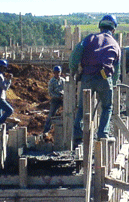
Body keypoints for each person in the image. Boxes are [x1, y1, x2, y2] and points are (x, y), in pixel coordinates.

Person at [70, 14, 121, 146]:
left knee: (82, 106)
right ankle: (102, 135)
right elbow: (116, 69)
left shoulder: (90, 38)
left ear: (100, 27)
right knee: (107, 106)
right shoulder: (115, 44)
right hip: (105, 76)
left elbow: (76, 52)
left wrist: (73, 69)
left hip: (87, 75)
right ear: (113, 30)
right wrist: (112, 84)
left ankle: (77, 135)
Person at [43, 65, 64, 135]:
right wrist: (58, 96)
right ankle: (46, 130)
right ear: (53, 73)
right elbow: (50, 93)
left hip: (63, 99)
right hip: (55, 99)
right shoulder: (52, 81)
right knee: (51, 114)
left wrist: (63, 95)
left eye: (58, 72)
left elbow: (66, 89)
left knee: (69, 112)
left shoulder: (63, 81)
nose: (57, 74)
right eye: (56, 72)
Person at [0, 59, 14, 126]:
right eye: (3, 68)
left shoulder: (0, 75)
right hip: (0, 98)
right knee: (10, 110)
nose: (4, 70)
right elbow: (5, 87)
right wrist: (9, 80)